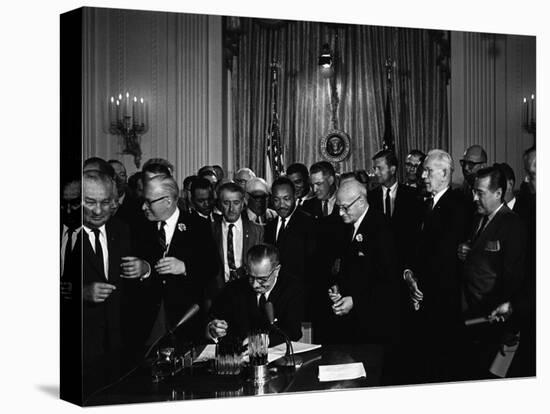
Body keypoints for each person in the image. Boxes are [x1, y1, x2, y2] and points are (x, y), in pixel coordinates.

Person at [128, 174, 219, 350]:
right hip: (149, 323)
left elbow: (212, 267)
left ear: (168, 201)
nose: (143, 206)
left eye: (149, 202)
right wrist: (145, 269)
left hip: (187, 320)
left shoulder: (197, 226)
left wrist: (185, 267)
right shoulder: (139, 227)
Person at [403, 149, 469, 383]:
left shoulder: (458, 206)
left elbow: (444, 259)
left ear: (444, 174)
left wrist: (420, 290)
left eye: (428, 171)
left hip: (443, 305)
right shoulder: (423, 206)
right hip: (422, 301)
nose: (422, 176)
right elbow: (414, 250)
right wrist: (409, 275)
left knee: (442, 370)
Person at [457, 166, 526, 379]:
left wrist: (508, 325)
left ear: (498, 194)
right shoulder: (479, 218)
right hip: (470, 316)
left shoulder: (513, 224)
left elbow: (513, 277)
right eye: (473, 191)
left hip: (491, 322)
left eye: (480, 193)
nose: (474, 197)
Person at [78, 171, 139, 397]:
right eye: (90, 202)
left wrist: (143, 269)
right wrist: (81, 293)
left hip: (117, 347)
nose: (97, 210)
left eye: (105, 203)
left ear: (114, 202)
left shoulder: (122, 230)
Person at [327, 178, 399, 344]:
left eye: (345, 207)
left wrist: (355, 301)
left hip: (376, 323)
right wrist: (338, 289)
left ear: (360, 201)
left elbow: (388, 282)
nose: (340, 213)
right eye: (339, 207)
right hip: (354, 323)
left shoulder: (382, 228)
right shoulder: (347, 226)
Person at [206, 244, 304, 346]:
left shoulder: (292, 289)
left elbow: (294, 332)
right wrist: (212, 330)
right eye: (251, 277)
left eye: (262, 279)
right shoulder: (233, 289)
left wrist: (263, 341)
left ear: (277, 270)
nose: (255, 285)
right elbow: (211, 320)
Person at [208, 182, 264, 304]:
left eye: (236, 203)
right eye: (226, 203)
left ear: (243, 203)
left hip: (248, 295)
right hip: (218, 296)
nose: (231, 209)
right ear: (219, 204)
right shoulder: (210, 230)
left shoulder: (257, 231)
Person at [264, 177, 316, 286]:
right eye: (276, 200)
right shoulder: (269, 227)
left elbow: (313, 267)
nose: (281, 205)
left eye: (286, 199)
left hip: (301, 292)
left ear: (295, 196)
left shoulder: (309, 224)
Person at [108, 159, 142, 226]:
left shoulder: (138, 205)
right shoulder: (98, 204)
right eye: (113, 175)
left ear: (126, 178)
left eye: (122, 175)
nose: (118, 179)